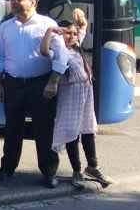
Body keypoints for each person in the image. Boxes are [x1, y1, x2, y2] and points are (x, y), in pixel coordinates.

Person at [0, 0, 68, 188]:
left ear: (33, 2)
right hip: (13, 83)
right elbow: (0, 57)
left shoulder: (47, 24)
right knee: (12, 127)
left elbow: (61, 54)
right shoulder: (6, 27)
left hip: (41, 83)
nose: (13, 2)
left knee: (44, 128)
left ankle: (49, 171)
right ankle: (7, 167)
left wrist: (53, 81)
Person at [40, 10, 113, 188]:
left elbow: (83, 26)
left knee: (87, 130)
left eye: (74, 33)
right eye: (68, 33)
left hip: (86, 92)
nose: (72, 36)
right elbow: (43, 51)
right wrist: (50, 31)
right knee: (72, 132)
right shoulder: (59, 52)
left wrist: (80, 17)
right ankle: (77, 170)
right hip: (70, 94)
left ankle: (93, 166)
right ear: (60, 35)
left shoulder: (76, 47)